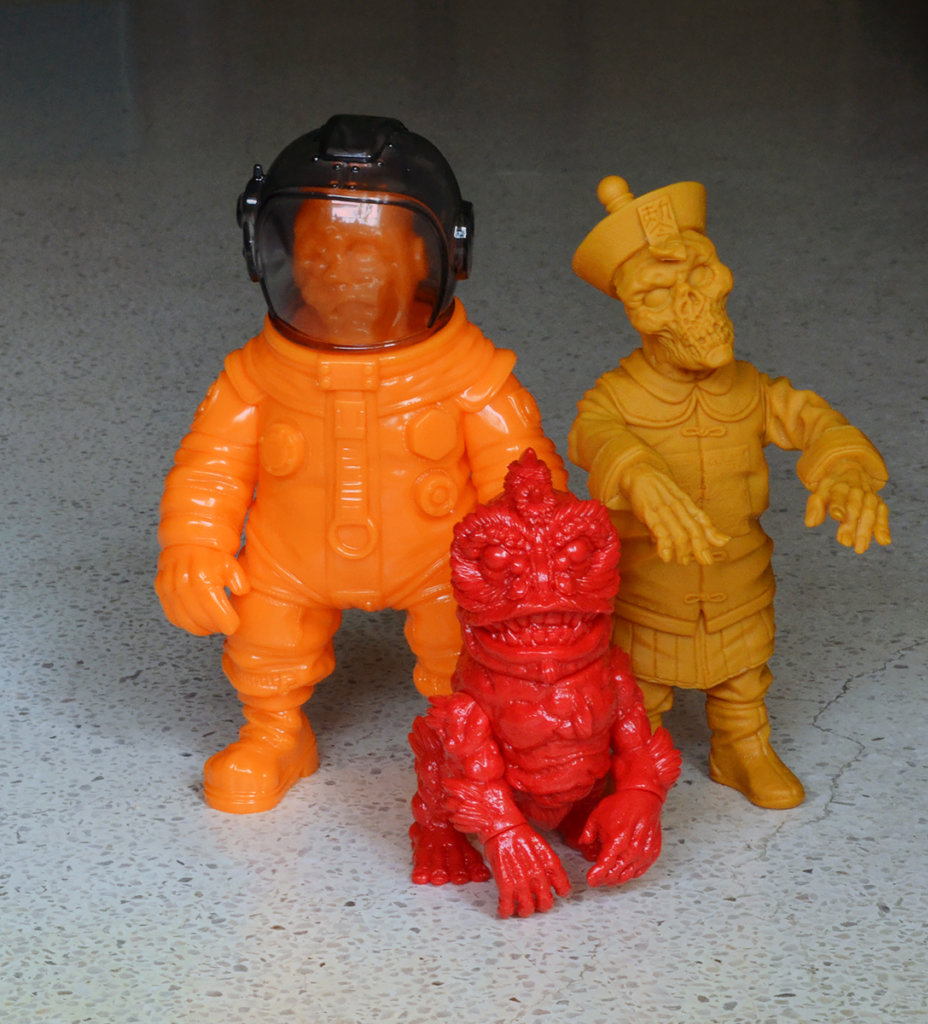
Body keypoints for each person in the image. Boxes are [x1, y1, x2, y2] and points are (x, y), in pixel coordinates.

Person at [155, 116, 566, 813]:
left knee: (467, 637)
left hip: (439, 557)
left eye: (363, 251)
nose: (337, 272)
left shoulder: (467, 375)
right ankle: (274, 730)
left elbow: (522, 473)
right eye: (316, 255)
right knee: (264, 633)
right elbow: (211, 468)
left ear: (426, 256)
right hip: (291, 557)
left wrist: (527, 561)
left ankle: (473, 739)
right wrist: (193, 544)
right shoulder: (259, 376)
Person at [569, 175, 890, 809]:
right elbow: (592, 435)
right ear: (636, 313)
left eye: (702, 278)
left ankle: (742, 747)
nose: (695, 306)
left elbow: (815, 422)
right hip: (649, 589)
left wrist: (845, 469)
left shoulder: (752, 389)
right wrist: (637, 471)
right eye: (664, 294)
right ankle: (632, 763)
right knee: (640, 688)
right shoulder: (617, 397)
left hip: (738, 580)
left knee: (743, 678)